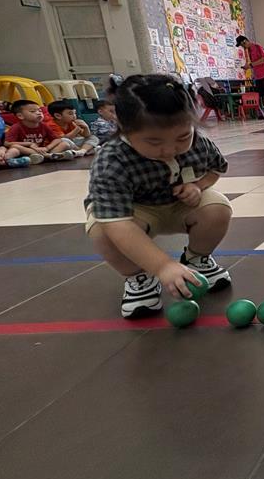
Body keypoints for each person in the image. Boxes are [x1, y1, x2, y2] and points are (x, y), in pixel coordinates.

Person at [85, 74, 233, 318]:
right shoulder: (112, 159)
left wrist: (198, 185)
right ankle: (139, 277)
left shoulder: (199, 143)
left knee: (217, 207)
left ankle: (196, 259)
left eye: (182, 137)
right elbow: (116, 223)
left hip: (178, 206)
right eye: (154, 141)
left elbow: (215, 169)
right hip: (132, 214)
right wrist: (162, 266)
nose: (170, 149)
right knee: (101, 229)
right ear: (124, 127)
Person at [4, 100, 78, 161]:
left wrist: (47, 148)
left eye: (40, 111)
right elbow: (7, 143)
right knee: (15, 147)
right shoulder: (16, 127)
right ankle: (48, 157)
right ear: (20, 116)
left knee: (64, 144)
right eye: (33, 111)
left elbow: (57, 139)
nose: (38, 113)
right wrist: (29, 144)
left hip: (42, 150)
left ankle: (47, 156)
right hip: (27, 151)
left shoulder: (44, 125)